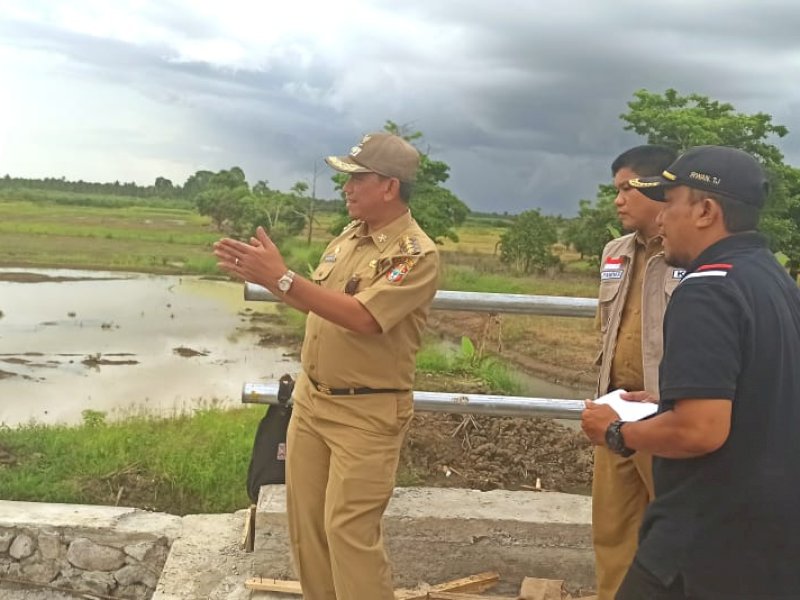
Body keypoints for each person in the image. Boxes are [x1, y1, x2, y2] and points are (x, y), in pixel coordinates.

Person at [214, 132, 439, 600]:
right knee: (308, 527)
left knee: (349, 533)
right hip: (312, 402)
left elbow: (362, 317)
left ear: (389, 186)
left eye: (358, 178)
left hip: (367, 413)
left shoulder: (415, 254)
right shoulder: (348, 238)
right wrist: (276, 281)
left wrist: (280, 276)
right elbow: (323, 306)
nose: (347, 187)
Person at [582, 145, 800, 599]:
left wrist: (617, 432)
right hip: (767, 527)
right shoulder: (772, 279)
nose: (662, 218)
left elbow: (701, 430)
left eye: (672, 202)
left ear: (705, 210)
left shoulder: (707, 290)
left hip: (707, 532)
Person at [592, 144, 678, 600]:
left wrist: (667, 395)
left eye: (627, 189)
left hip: (669, 416)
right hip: (615, 411)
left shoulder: (690, 257)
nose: (618, 200)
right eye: (616, 190)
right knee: (612, 532)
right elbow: (606, 328)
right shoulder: (614, 253)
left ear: (660, 189)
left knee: (672, 533)